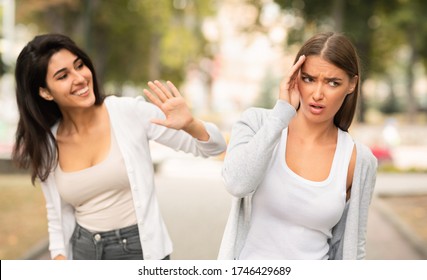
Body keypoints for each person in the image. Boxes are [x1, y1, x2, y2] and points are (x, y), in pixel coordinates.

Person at [12, 33, 227, 260]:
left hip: (139, 251)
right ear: (45, 92)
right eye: (63, 76)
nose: (80, 78)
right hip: (84, 252)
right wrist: (59, 257)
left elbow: (214, 148)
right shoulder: (47, 145)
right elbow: (57, 215)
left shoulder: (128, 112)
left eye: (79, 65)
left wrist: (191, 124)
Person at [218, 32, 377, 260]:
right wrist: (282, 113)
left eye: (333, 83)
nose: (317, 94)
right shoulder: (257, 124)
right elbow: (236, 183)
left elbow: (351, 247)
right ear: (295, 77)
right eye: (309, 79)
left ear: (352, 84)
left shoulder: (358, 160)